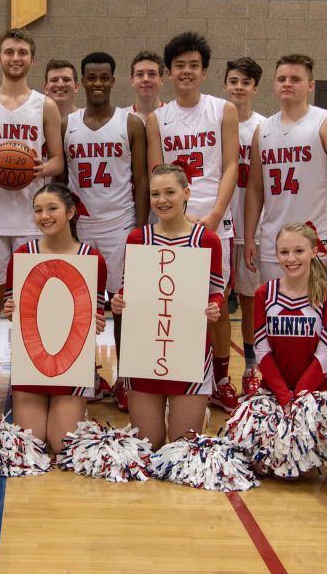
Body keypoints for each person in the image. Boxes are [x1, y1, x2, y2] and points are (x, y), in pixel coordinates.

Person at [0, 27, 64, 405]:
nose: (15, 58)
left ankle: (30, 373)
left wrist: (39, 169)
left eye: (22, 52)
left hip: (31, 218)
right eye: (9, 52)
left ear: (31, 59)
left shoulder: (44, 105)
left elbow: (58, 159)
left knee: (31, 301)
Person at [146, 32, 240, 413]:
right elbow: (156, 171)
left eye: (193, 66)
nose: (186, 71)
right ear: (168, 73)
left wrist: (215, 215)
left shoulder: (223, 110)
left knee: (216, 305)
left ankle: (220, 379)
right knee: (170, 300)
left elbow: (232, 164)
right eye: (179, 66)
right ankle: (169, 371)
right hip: (173, 224)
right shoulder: (157, 118)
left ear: (204, 71)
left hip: (216, 223)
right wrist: (178, 217)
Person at [59, 51, 148, 410]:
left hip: (120, 225)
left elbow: (141, 180)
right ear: (82, 82)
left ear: (113, 80)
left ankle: (126, 377)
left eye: (104, 77)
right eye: (91, 77)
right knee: (81, 306)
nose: (97, 83)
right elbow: (62, 179)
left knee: (123, 306)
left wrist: (140, 229)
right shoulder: (68, 124)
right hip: (80, 226)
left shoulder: (131, 123)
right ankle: (86, 373)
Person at [110, 164, 223, 450]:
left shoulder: (206, 240)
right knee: (149, 445)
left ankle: (199, 412)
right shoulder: (139, 238)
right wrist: (119, 301)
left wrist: (214, 306)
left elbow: (218, 292)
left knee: (182, 447)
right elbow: (129, 287)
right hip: (145, 353)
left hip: (188, 351)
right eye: (156, 194)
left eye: (170, 192)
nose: (162, 200)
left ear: (186, 193)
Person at [2, 183, 107, 453]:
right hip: (31, 364)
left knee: (63, 447)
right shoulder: (23, 256)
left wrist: (97, 321)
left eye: (52, 209)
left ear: (71, 212)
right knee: (31, 445)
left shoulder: (91, 258)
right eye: (38, 210)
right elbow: (11, 304)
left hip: (72, 364)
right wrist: (10, 308)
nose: (44, 216)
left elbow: (94, 313)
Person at [243, 54, 327, 286]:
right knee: (275, 313)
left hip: (316, 240)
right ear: (274, 85)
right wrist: (249, 237)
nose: (287, 83)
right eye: (281, 78)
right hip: (273, 240)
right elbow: (255, 189)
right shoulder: (262, 130)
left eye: (295, 79)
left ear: (310, 86)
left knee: (319, 312)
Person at [253, 223, 327, 409]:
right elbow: (262, 351)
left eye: (299, 251)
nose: (291, 258)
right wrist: (285, 397)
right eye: (284, 252)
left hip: (317, 394)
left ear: (314, 251)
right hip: (273, 395)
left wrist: (297, 398)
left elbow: (326, 353)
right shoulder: (264, 293)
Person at [224, 56, 267, 397]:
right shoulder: (216, 122)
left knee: (252, 299)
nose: (238, 87)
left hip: (254, 226)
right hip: (222, 225)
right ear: (225, 84)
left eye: (245, 82)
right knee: (217, 299)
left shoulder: (263, 127)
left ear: (255, 88)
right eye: (233, 80)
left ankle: (252, 366)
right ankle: (216, 365)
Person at [128, 51, 165, 123]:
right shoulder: (121, 118)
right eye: (140, 74)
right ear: (132, 81)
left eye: (152, 74)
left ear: (161, 80)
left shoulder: (174, 116)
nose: (146, 79)